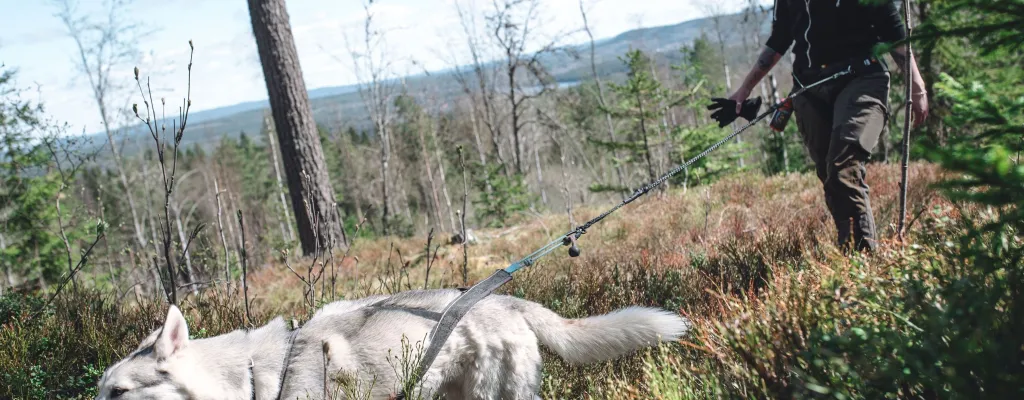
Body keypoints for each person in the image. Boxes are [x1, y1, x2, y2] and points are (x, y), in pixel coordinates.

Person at [713, 0, 929, 253]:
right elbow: (780, 38)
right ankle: (850, 255)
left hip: (863, 80)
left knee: (843, 169)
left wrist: (917, 86)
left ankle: (862, 262)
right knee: (830, 177)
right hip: (809, 90)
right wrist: (744, 89)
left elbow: (894, 33)